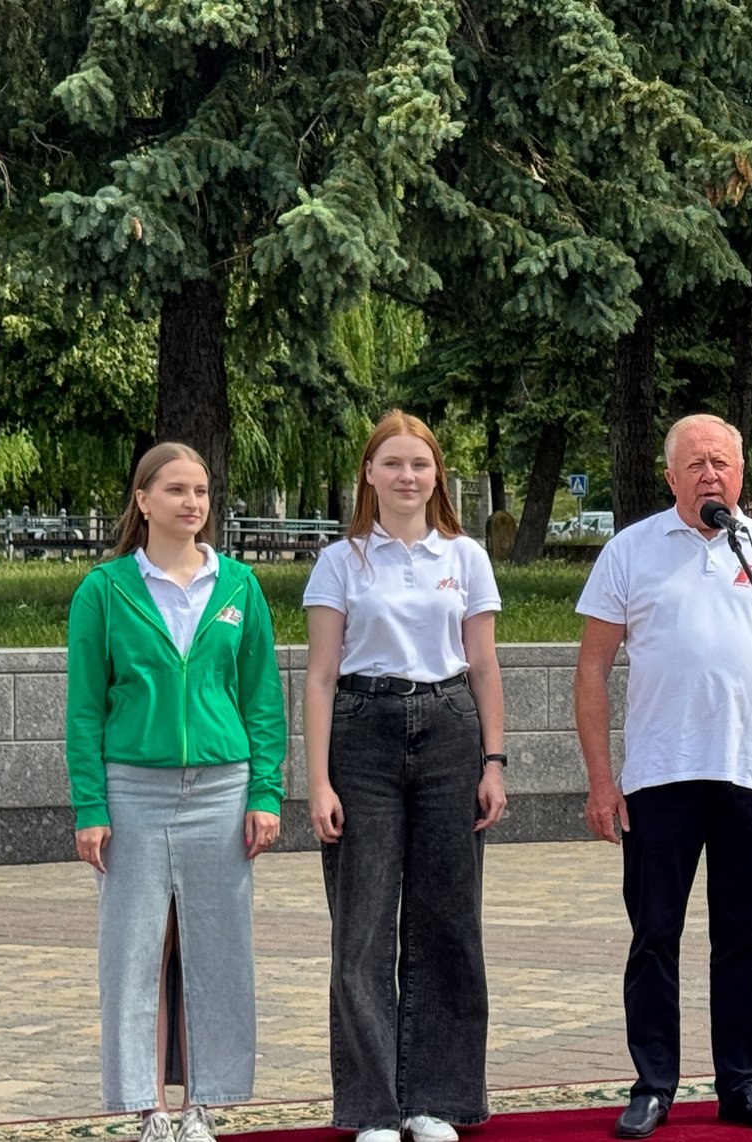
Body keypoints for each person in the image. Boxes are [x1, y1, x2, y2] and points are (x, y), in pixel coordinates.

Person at [574, 414, 752, 1139]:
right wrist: (599, 780)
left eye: (722, 462)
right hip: (659, 776)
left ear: (742, 473)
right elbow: (591, 669)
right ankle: (654, 1083)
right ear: (670, 475)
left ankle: (741, 1083)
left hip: (748, 772)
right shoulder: (631, 550)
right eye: (696, 463)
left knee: (741, 938)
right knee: (655, 933)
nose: (711, 474)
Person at [66, 442, 287, 1142]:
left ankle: (201, 1106)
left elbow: (261, 700)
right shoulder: (104, 591)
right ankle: (146, 1109)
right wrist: (91, 805)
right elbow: (84, 710)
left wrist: (267, 793)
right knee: (137, 953)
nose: (192, 503)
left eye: (201, 490)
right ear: (142, 500)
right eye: (176, 490)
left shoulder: (238, 587)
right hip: (133, 790)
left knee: (214, 952)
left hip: (222, 793)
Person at [304, 412, 509, 1142]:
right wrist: (319, 780)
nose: (406, 477)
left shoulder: (466, 556)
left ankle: (437, 1098)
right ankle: (373, 1108)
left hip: (451, 732)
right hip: (364, 736)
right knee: (361, 930)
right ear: (369, 474)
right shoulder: (341, 561)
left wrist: (493, 761)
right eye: (391, 463)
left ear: (437, 476)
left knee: (448, 922)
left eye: (419, 465)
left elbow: (483, 664)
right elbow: (322, 677)